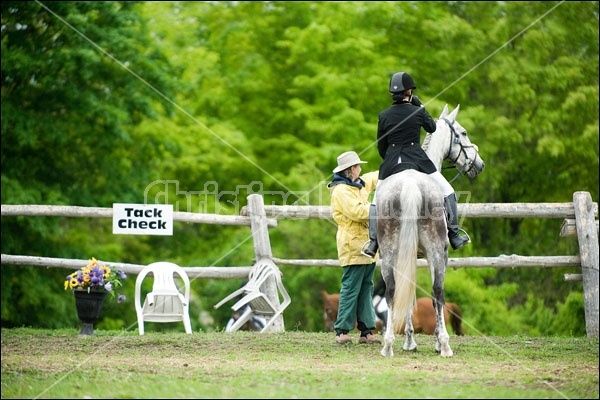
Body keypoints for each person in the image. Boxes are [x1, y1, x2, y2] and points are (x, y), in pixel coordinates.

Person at [362, 71, 470, 255]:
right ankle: (454, 235)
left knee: (376, 199)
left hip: (391, 161)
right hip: (417, 159)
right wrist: (420, 106)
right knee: (448, 191)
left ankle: (373, 243)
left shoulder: (384, 115)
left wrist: (390, 159)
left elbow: (382, 146)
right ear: (410, 91)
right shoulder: (417, 111)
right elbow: (432, 127)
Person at [327, 150, 381, 345]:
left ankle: (366, 331)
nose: (360, 168)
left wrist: (393, 167)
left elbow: (373, 178)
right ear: (351, 170)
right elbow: (358, 212)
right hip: (352, 244)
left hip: (366, 245)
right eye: (358, 166)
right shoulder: (342, 190)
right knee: (351, 288)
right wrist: (382, 207)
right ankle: (341, 330)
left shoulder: (357, 184)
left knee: (366, 287)